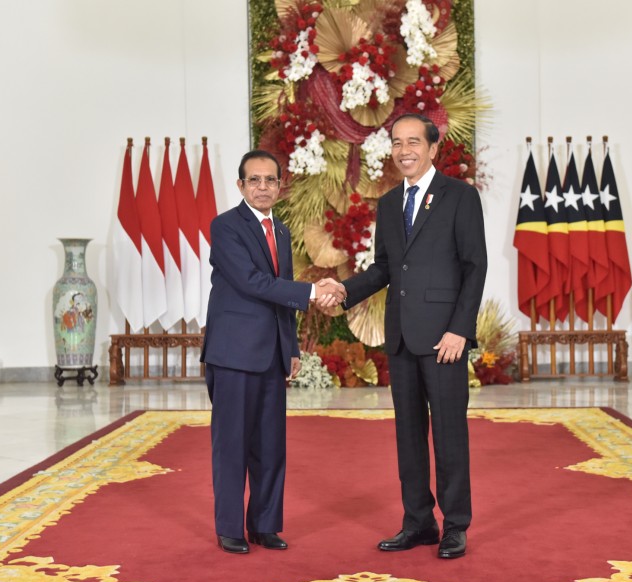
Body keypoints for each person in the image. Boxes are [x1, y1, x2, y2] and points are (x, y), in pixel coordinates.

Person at [330, 113, 487, 559]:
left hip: (444, 340)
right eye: (397, 143)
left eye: (413, 142)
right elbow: (384, 267)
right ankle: (418, 522)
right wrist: (344, 291)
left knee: (450, 434)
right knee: (408, 435)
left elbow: (475, 267)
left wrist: (461, 329)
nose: (404, 151)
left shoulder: (460, 197)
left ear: (433, 148)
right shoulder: (388, 204)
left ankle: (456, 525)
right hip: (401, 337)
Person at [201, 149, 344, 554]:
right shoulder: (225, 227)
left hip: (270, 355)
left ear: (280, 186)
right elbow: (251, 282)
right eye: (254, 180)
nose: (262, 187)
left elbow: (280, 296)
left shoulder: (280, 230)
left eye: (270, 180)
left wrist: (291, 346)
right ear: (240, 185)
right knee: (231, 444)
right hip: (233, 355)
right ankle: (229, 528)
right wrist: (315, 291)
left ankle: (264, 525)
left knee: (270, 446)